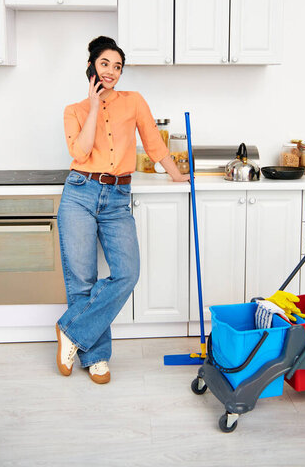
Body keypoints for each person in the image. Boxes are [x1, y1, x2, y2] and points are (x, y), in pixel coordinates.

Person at [55, 36, 190, 384]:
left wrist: (178, 177)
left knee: (127, 273)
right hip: (80, 192)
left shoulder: (134, 101)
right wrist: (94, 105)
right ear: (91, 66)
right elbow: (81, 152)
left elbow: (154, 143)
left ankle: (69, 330)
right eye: (105, 64)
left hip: (117, 198)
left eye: (117, 66)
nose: (112, 72)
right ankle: (97, 358)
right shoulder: (74, 110)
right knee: (81, 281)